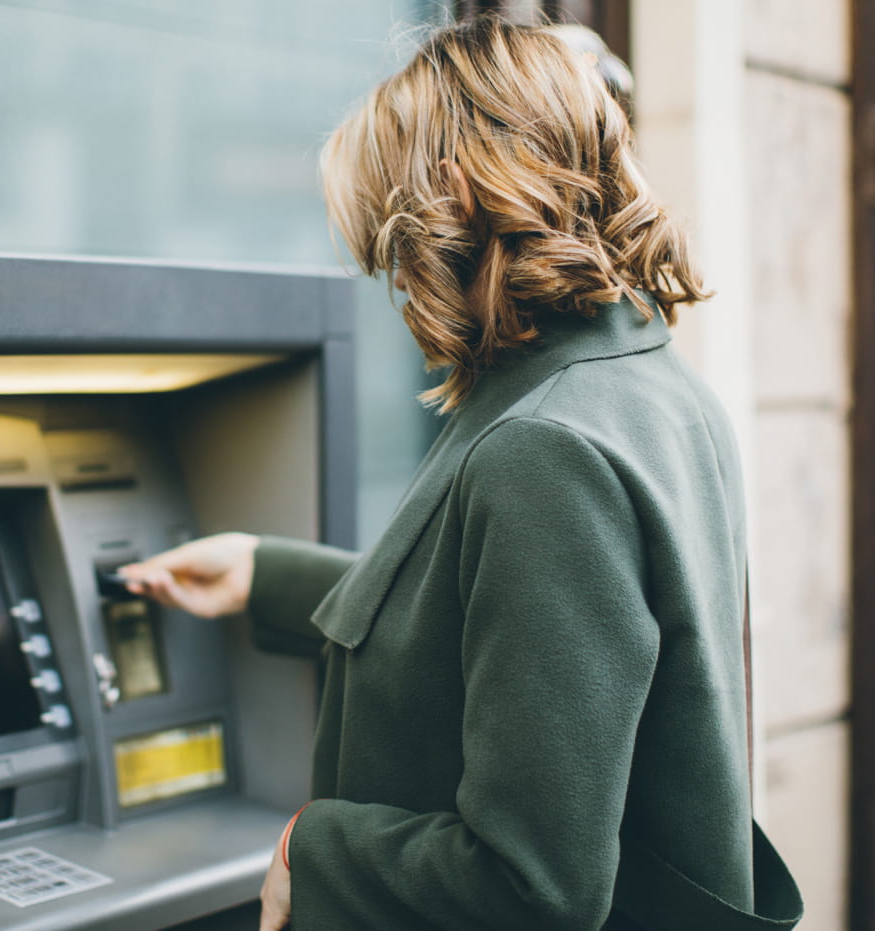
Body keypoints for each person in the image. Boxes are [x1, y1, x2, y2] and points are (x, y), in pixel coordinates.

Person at [119, 15, 802, 931]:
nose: (399, 282)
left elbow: (532, 885)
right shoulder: (654, 392)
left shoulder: (544, 449)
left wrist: (311, 851)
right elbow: (520, 636)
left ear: (451, 201)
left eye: (393, 244)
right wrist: (265, 572)